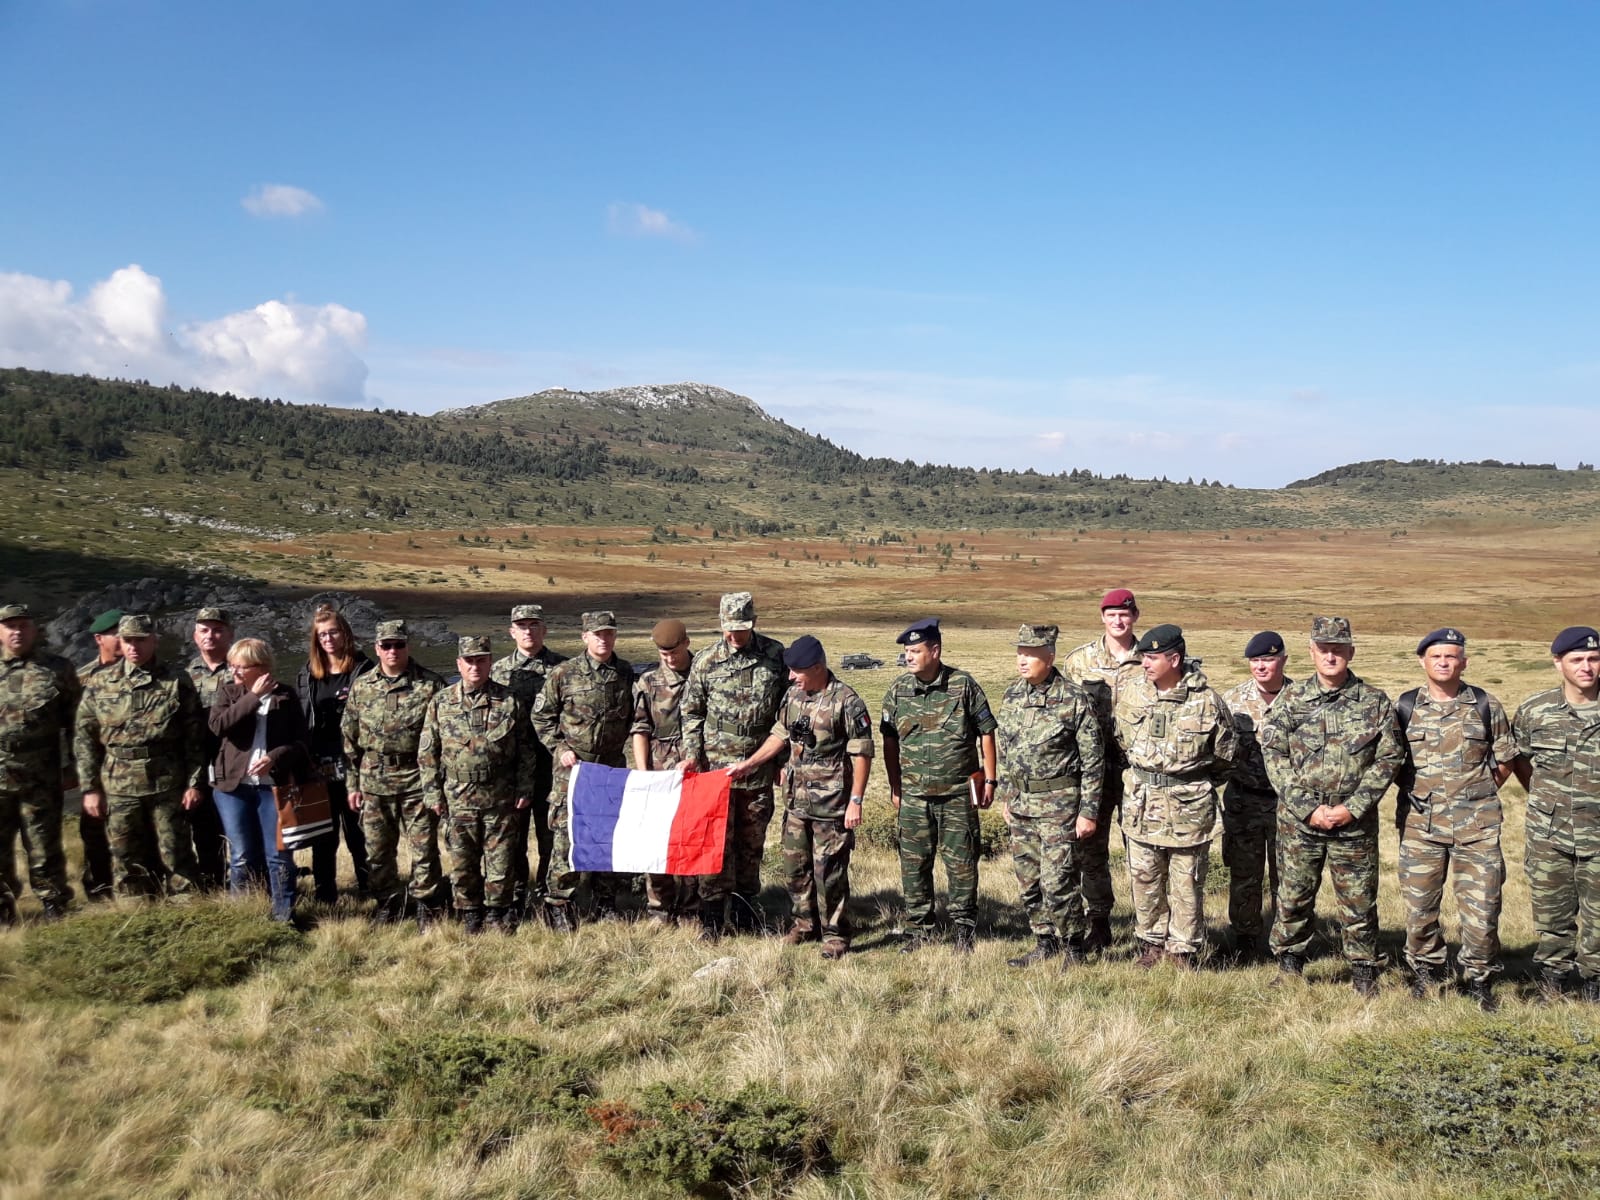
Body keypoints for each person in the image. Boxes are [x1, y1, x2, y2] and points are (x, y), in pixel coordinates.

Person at [1262, 616, 1406, 995]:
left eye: (1338, 649)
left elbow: (1389, 758)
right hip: (1299, 822)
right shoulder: (1291, 700)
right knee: (1293, 896)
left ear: (1351, 652)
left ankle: (1363, 969)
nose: (1331, 655)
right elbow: (1273, 753)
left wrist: (1354, 807)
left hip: (1353, 823)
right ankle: (1289, 964)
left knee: (1358, 901)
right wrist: (1307, 807)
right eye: (1323, 649)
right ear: (1311, 652)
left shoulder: (1374, 702)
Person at [1394, 628, 1520, 1010]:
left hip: (1477, 829)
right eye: (1436, 656)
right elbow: (1391, 762)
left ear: (1464, 662)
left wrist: (1472, 795)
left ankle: (1479, 978)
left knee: (1482, 911)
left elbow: (1505, 760)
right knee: (1420, 910)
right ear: (1423, 661)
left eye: (1452, 656)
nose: (1444, 662)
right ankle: (1426, 971)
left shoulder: (1485, 704)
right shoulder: (1404, 706)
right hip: (1421, 827)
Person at [726, 635, 873, 960]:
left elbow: (862, 752)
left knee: (829, 872)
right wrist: (750, 764)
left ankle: (835, 933)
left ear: (818, 667)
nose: (791, 676)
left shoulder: (846, 701)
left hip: (831, 805)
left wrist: (856, 800)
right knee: (795, 867)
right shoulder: (793, 695)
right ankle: (804, 923)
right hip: (796, 801)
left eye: (797, 671)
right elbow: (779, 733)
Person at [1114, 624, 1237, 968]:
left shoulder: (1206, 701)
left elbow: (1226, 757)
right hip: (1141, 803)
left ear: (1175, 658)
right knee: (1144, 877)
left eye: (1152, 657)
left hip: (1188, 810)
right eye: (1144, 657)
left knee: (1186, 883)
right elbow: (1122, 740)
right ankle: (1151, 944)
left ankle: (1183, 950)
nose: (1145, 664)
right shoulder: (1134, 694)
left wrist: (1188, 781)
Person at [880, 617, 998, 953]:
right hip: (914, 797)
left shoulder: (963, 685)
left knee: (961, 864)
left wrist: (990, 778)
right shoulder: (899, 690)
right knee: (914, 864)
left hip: (957, 794)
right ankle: (920, 929)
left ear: (935, 650)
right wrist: (894, 785)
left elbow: (986, 732)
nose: (909, 657)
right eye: (906, 652)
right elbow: (889, 741)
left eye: (916, 650)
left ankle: (963, 928)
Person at [679, 592, 788, 938]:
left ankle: (744, 914)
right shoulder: (707, 661)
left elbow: (787, 713)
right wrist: (692, 754)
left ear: (753, 622)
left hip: (757, 769)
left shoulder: (775, 655)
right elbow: (691, 712)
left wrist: (781, 762)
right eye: (728, 629)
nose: (734, 635)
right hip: (715, 772)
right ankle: (711, 918)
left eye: (740, 628)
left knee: (751, 844)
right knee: (713, 845)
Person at [995, 623, 1104, 968]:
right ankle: (1044, 941)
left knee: (1058, 881)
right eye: (1020, 654)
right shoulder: (1013, 696)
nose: (1022, 661)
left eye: (1030, 655)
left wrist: (1088, 811)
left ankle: (1074, 945)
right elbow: (1006, 751)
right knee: (1029, 880)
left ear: (1050, 657)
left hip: (1060, 805)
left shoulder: (1073, 699)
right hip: (1022, 804)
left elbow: (1093, 760)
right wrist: (1006, 795)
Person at [75, 614, 206, 898]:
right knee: (125, 854)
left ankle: (187, 909)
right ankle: (134, 910)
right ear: (120, 643)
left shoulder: (175, 681)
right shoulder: (101, 683)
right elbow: (85, 740)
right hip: (118, 784)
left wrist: (195, 783)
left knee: (176, 852)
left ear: (153, 641)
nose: (134, 647)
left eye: (141, 640)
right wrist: (90, 789)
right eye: (128, 640)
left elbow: (194, 739)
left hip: (166, 781)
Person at [419, 635, 536, 934]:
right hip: (458, 798)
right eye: (469, 661)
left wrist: (524, 788)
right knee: (462, 862)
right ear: (459, 663)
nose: (475, 666)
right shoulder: (441, 702)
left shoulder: (509, 701)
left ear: (489, 663)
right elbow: (428, 752)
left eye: (481, 660)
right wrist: (433, 793)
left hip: (500, 796)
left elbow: (525, 749)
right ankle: (470, 912)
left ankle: (497, 913)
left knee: (501, 861)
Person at [1513, 626, 1600, 1001]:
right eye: (1577, 659)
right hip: (1549, 834)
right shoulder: (1536, 710)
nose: (1587, 667)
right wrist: (1547, 799)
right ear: (1558, 663)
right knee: (1551, 914)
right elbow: (1520, 761)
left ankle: (1595, 980)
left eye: (1594, 659)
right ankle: (1554, 979)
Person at [342, 619, 448, 928]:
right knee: (377, 850)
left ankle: (426, 904)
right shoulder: (362, 686)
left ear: (407, 646)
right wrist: (353, 784)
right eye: (386, 646)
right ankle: (387, 903)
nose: (392, 651)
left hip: (418, 779)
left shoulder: (430, 684)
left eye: (398, 644)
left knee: (424, 849)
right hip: (374, 780)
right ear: (377, 649)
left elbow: (443, 738)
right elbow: (349, 739)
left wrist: (438, 785)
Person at [532, 611, 633, 930]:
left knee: (607, 834)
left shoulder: (625, 672)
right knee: (567, 835)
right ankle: (559, 901)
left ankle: (606, 899)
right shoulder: (565, 673)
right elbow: (542, 717)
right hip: (573, 769)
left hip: (610, 767)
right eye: (597, 633)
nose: (603, 638)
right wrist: (560, 748)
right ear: (585, 637)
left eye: (609, 633)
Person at [1060, 587, 1143, 951]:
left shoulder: (1150, 657)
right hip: (1092, 771)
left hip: (1137, 770)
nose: (1118, 620)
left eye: (1124, 614)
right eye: (1111, 615)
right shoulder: (1080, 661)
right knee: (1090, 849)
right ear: (1102, 618)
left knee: (1142, 849)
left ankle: (1149, 928)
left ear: (1134, 616)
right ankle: (1100, 922)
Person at [208, 638, 310, 923]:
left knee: (278, 853)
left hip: (273, 787)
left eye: (241, 666)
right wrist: (252, 696)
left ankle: (283, 915)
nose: (235, 671)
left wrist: (276, 756)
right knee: (242, 855)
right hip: (233, 788)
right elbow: (219, 726)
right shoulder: (227, 692)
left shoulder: (286, 696)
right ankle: (243, 915)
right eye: (232, 665)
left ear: (262, 667)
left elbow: (302, 742)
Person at [0, 603, 81, 923]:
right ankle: (3, 908)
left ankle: (53, 903)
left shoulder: (57, 668)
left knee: (44, 843)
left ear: (35, 629)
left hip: (42, 771)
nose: (17, 631)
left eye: (23, 625)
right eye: (10, 626)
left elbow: (77, 722)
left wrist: (74, 767)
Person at [1218, 631, 1292, 960]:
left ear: (1283, 660)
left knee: (1289, 877)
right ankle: (1245, 940)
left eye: (1268, 659)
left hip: (1287, 804)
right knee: (1244, 876)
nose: (1261, 666)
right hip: (1243, 801)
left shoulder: (1300, 699)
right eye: (1255, 660)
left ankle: (1288, 944)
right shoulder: (1231, 701)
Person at [491, 603, 566, 909]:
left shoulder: (562, 668)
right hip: (511, 770)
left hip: (551, 766)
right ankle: (518, 894)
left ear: (544, 630)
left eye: (534, 625)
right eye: (521, 626)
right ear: (512, 632)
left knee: (551, 836)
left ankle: (552, 896)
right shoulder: (498, 671)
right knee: (514, 838)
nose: (528, 631)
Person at [295, 605, 372, 902]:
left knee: (359, 834)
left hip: (355, 764)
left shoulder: (364, 669)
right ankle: (325, 894)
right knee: (323, 837)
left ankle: (370, 889)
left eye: (333, 632)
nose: (328, 639)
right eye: (322, 634)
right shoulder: (308, 674)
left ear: (345, 634)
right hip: (320, 766)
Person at [631, 618, 697, 924]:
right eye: (662, 653)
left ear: (686, 642)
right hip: (659, 772)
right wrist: (643, 773)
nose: (669, 658)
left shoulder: (704, 673)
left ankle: (692, 908)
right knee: (657, 842)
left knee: (695, 839)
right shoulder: (648, 682)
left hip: (698, 771)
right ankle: (659, 908)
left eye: (673, 651)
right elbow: (640, 729)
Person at [71, 607, 121, 902]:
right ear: (99, 638)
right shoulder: (81, 680)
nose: (124, 638)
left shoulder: (147, 674)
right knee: (95, 835)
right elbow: (73, 730)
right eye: (116, 633)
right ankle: (100, 893)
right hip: (97, 772)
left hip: (136, 772)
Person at [184, 607, 234, 890]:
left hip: (236, 763)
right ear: (195, 636)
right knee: (204, 831)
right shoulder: (184, 677)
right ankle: (212, 886)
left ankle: (250, 886)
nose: (211, 636)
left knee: (239, 831)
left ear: (230, 634)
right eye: (204, 630)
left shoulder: (240, 670)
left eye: (217, 630)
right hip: (200, 765)